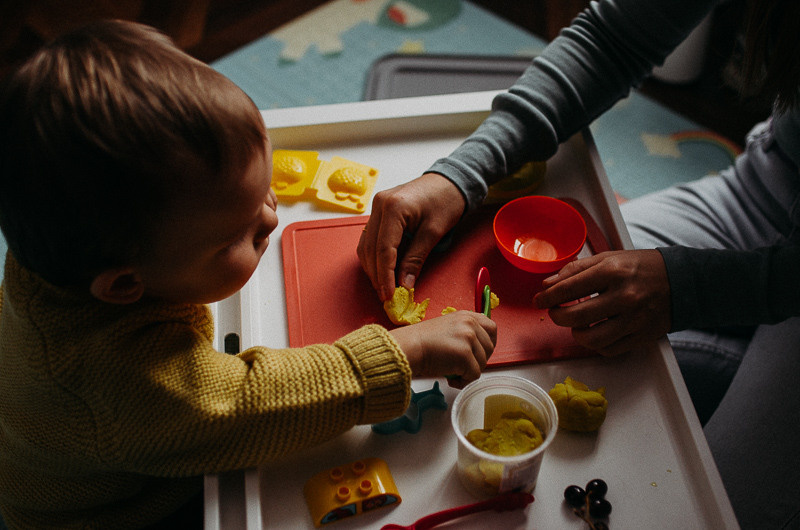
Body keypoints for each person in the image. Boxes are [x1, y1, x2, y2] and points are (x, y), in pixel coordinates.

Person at [0, 20, 497, 529]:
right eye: (236, 234)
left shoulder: (75, 236)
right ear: (126, 284)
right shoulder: (111, 383)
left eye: (263, 190)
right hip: (115, 511)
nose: (271, 220)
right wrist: (404, 354)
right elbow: (243, 407)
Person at [357, 0, 800, 527]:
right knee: (566, 345)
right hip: (769, 189)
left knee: (719, 508)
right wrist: (458, 176)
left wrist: (693, 288)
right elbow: (615, 38)